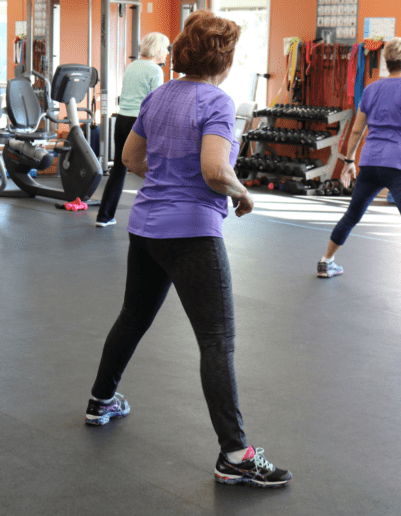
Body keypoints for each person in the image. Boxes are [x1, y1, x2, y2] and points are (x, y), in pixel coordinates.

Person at [84, 10, 291, 488]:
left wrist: (164, 182)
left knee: (132, 318)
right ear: (225, 58)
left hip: (147, 228)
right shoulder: (217, 101)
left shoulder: (159, 96)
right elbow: (215, 170)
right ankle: (235, 454)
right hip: (193, 235)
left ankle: (101, 401)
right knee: (217, 341)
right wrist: (243, 194)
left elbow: (130, 158)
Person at [317, 37, 401, 278]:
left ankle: (326, 261)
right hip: (397, 164)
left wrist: (349, 161)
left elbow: (356, 130)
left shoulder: (372, 89)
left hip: (370, 162)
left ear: (386, 61)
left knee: (352, 214)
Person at [95, 32, 170, 227]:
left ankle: (104, 217)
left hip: (121, 120)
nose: (167, 54)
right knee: (154, 167)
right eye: (166, 49)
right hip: (140, 123)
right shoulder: (155, 70)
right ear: (159, 49)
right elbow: (156, 102)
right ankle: (152, 218)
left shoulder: (132, 66)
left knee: (118, 169)